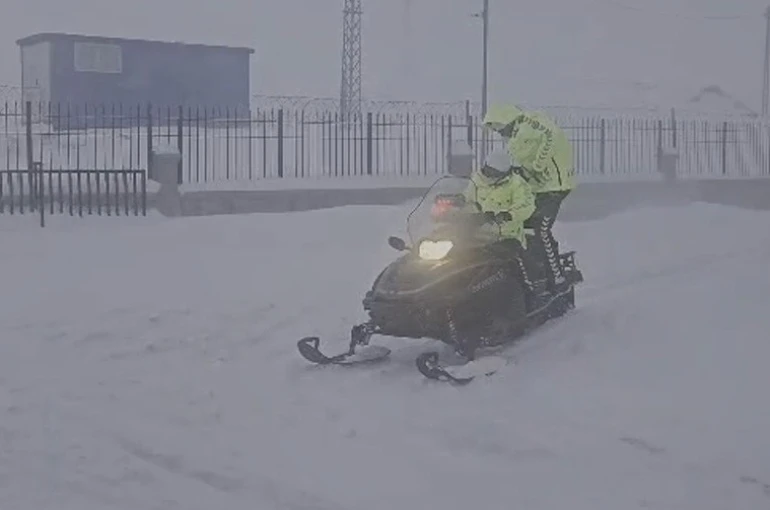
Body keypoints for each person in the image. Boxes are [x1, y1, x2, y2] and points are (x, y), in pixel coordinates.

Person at [481, 103, 576, 293]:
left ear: (506, 119)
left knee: (541, 229)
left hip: (555, 186)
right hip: (539, 187)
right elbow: (517, 163)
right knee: (520, 227)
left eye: (499, 128)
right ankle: (534, 270)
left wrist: (539, 163)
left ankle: (556, 277)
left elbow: (551, 135)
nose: (500, 133)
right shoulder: (515, 138)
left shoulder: (529, 122)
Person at [465, 149, 549, 303]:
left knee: (514, 257)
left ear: (504, 173)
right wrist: (466, 213)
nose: (489, 176)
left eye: (494, 173)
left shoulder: (517, 184)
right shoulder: (476, 180)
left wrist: (509, 215)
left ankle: (530, 290)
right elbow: (468, 200)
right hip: (476, 234)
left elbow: (527, 206)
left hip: (505, 235)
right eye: (488, 171)